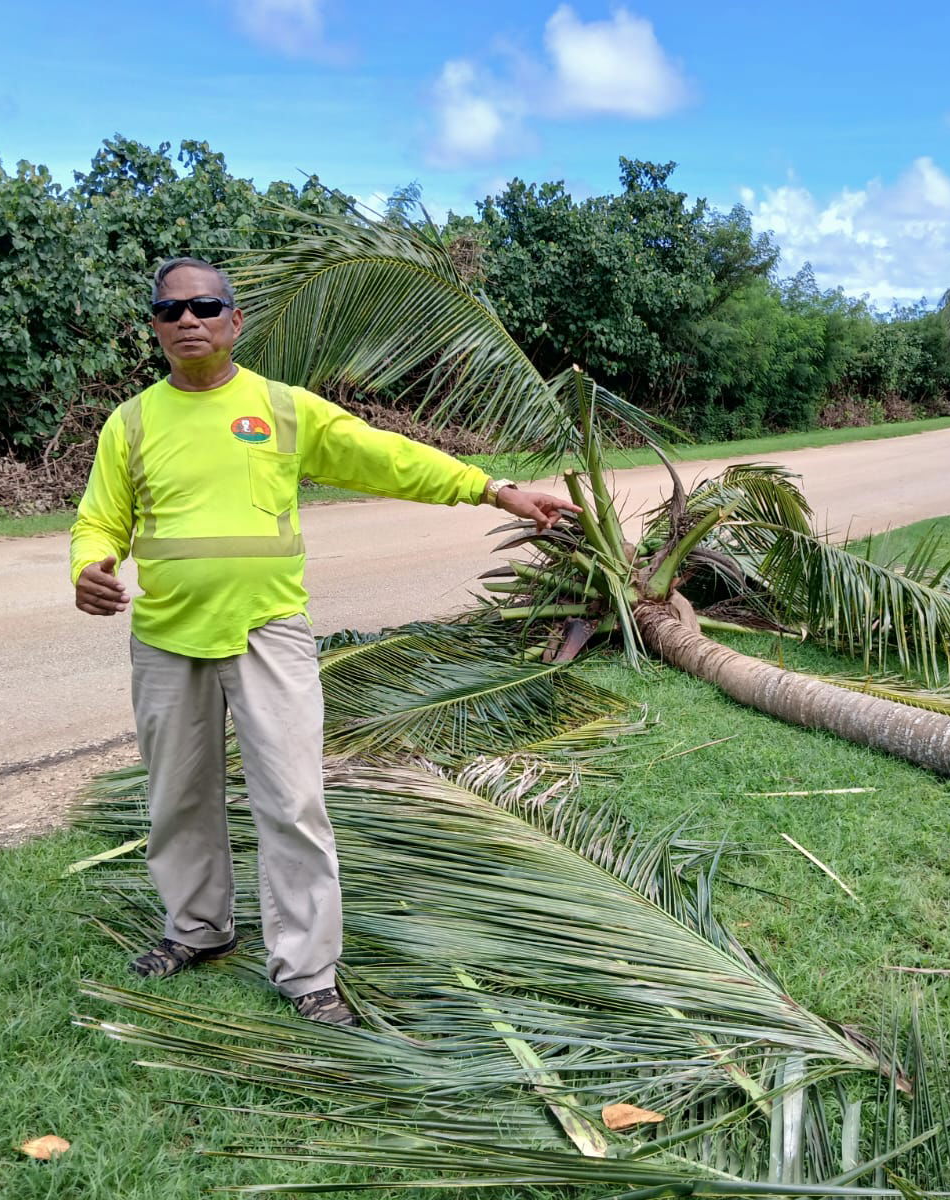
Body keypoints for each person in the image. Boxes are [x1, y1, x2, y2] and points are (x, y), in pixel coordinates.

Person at [70, 256, 577, 1025]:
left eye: (205, 305)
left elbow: (386, 456)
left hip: (268, 632)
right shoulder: (132, 422)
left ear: (235, 321)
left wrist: (493, 487)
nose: (189, 320)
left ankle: (307, 971)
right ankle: (197, 930)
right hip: (167, 639)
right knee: (177, 797)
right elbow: (99, 518)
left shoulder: (279, 408)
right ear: (155, 327)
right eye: (171, 311)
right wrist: (89, 565)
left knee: (294, 800)